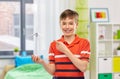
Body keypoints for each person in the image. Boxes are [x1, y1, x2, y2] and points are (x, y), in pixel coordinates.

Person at [32, 9, 90, 79]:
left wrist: (65, 51)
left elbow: (83, 68)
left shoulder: (84, 43)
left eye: (71, 23)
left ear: (76, 25)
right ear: (60, 25)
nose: (67, 27)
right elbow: (52, 71)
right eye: (64, 23)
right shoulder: (54, 45)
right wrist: (42, 62)